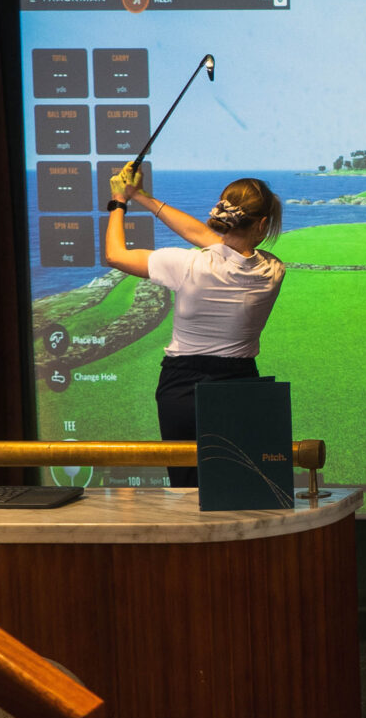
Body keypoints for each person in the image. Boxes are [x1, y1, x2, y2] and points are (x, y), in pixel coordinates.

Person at [102, 170, 287, 487]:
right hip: (241, 387)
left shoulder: (188, 265)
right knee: (243, 491)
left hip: (181, 387)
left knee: (186, 489)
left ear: (222, 214)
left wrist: (120, 201)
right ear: (261, 224)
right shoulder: (273, 270)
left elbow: (115, 255)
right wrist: (141, 196)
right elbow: (213, 240)